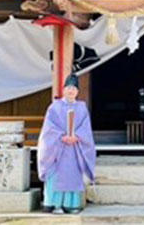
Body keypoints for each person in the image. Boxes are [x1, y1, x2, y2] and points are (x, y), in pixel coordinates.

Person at [37, 74, 96, 214]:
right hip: (57, 148)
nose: (71, 91)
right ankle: (52, 203)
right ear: (63, 90)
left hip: (74, 148)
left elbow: (85, 128)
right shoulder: (54, 107)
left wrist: (77, 136)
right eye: (68, 88)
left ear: (77, 92)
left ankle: (70, 204)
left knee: (72, 174)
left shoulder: (82, 107)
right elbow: (48, 128)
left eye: (74, 88)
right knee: (55, 174)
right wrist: (61, 136)